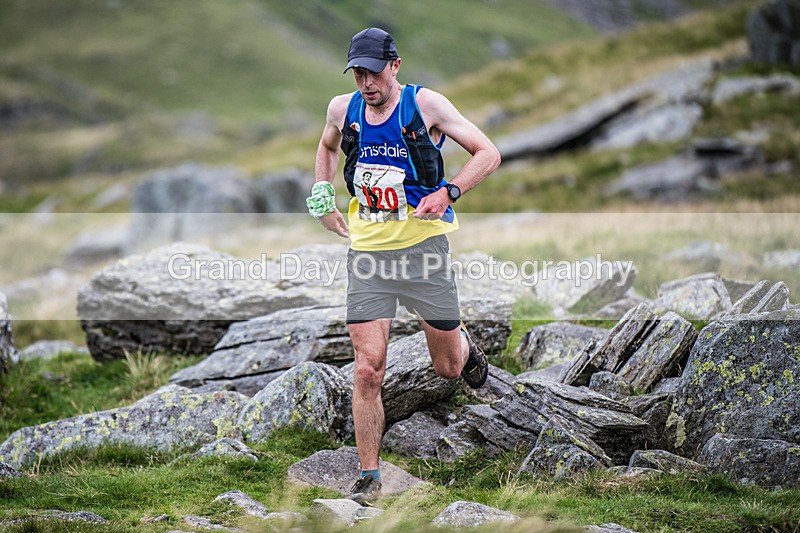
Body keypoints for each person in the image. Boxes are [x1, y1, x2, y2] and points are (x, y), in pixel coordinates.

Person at [307, 27, 501, 506]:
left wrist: (448, 193)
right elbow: (327, 147)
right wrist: (322, 195)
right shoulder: (342, 109)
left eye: (374, 72)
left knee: (448, 368)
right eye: (358, 73)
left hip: (423, 252)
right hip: (368, 256)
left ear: (395, 65)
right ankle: (369, 477)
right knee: (367, 369)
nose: (366, 83)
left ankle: (464, 346)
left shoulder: (426, 105)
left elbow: (488, 153)